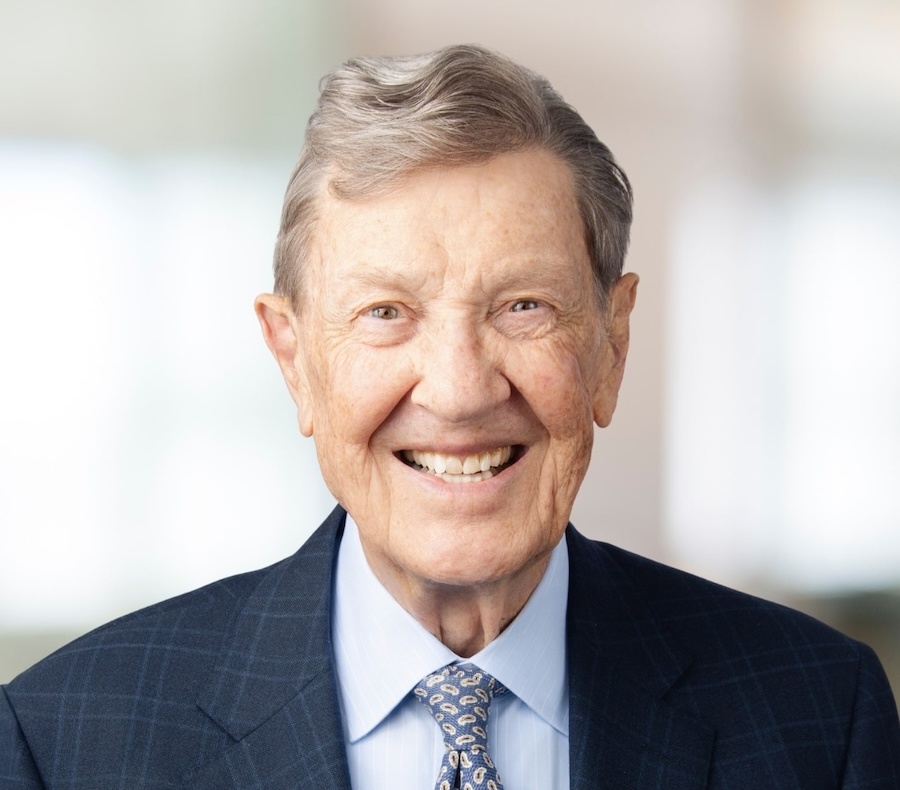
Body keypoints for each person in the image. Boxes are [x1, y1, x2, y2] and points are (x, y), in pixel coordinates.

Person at [1, 44, 898, 790]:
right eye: (386, 313)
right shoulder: (64, 742)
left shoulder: (820, 717)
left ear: (611, 347)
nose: (461, 392)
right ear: (293, 360)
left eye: (523, 308)